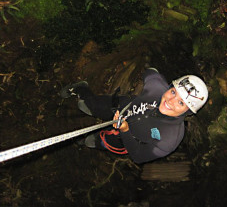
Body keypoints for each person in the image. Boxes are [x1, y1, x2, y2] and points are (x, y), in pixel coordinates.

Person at [60, 68, 208, 164]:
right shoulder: (157, 87)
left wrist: (125, 131)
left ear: (187, 111)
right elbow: (150, 72)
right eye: (174, 92)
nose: (170, 100)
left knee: (95, 142)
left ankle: (90, 138)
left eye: (181, 103)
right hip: (120, 107)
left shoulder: (170, 139)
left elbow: (138, 156)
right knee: (88, 105)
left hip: (126, 137)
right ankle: (82, 88)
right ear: (170, 87)